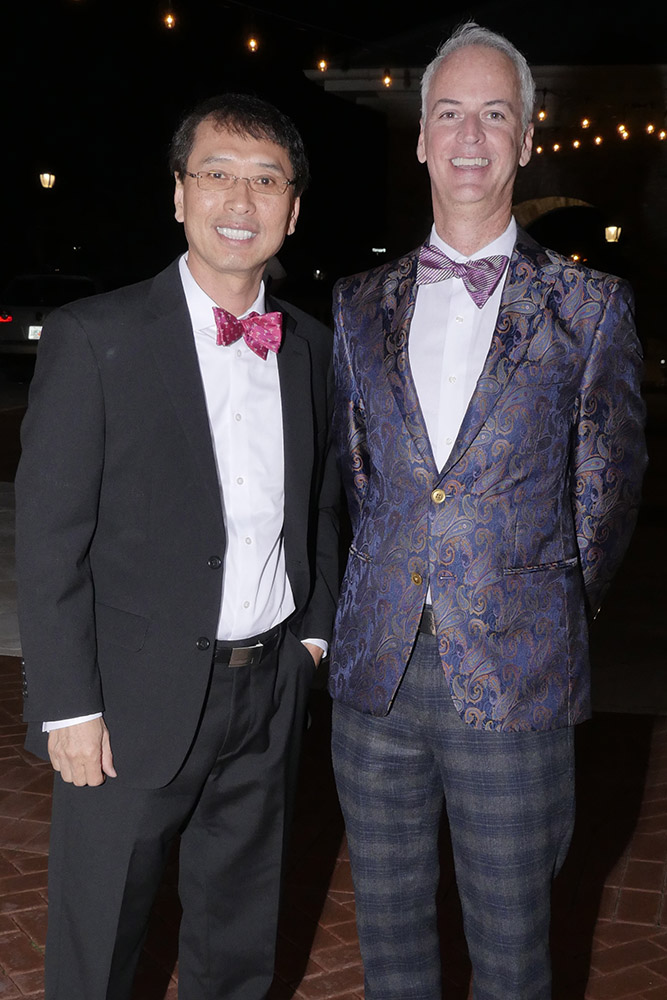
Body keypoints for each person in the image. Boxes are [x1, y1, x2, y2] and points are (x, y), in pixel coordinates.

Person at [329, 22, 646, 1000]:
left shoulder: (589, 307)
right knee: (389, 952)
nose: (470, 136)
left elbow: (605, 495)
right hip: (375, 679)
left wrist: (535, 606)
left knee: (513, 959)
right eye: (450, 114)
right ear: (421, 137)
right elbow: (361, 479)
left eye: (494, 114)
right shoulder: (356, 303)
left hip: (517, 681)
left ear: (527, 138)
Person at [16, 93, 338, 1000]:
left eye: (265, 181)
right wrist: (68, 708)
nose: (240, 200)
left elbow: (319, 504)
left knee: (238, 947)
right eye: (217, 174)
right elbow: (49, 537)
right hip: (125, 707)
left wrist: (311, 639)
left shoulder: (311, 348)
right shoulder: (95, 336)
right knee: (98, 951)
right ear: (178, 193)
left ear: (292, 209)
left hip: (268, 691)